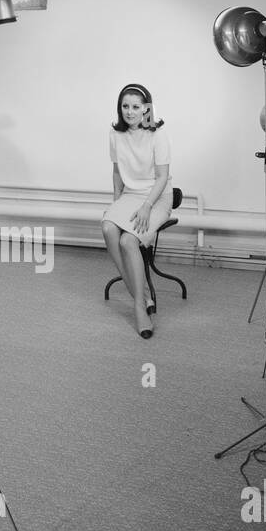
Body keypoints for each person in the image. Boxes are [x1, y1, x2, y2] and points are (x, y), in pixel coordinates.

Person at [101, 83, 172, 339]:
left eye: (135, 106)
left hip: (157, 197)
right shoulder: (115, 134)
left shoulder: (157, 134)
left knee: (129, 240)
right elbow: (118, 172)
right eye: (125, 106)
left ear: (146, 108)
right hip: (130, 196)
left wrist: (146, 207)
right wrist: (115, 203)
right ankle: (139, 296)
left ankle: (139, 307)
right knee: (108, 227)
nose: (130, 112)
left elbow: (162, 178)